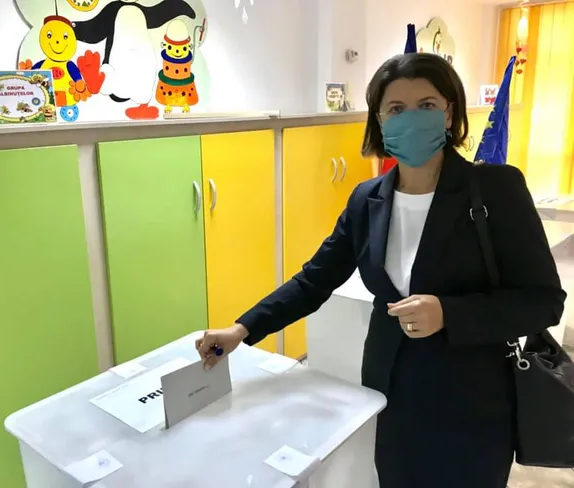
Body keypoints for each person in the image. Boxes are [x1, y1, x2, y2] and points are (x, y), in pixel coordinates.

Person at [195, 53, 566, 488]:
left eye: (427, 105)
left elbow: (544, 301)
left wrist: (449, 314)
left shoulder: (496, 189)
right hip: (389, 392)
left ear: (449, 113)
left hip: (473, 401)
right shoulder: (366, 199)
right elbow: (315, 279)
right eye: (396, 108)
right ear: (380, 120)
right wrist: (242, 329)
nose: (411, 118)